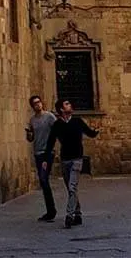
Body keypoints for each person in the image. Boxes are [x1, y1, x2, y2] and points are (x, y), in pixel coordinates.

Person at [43, 98, 99, 228]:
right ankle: (78, 214)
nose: (70, 105)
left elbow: (90, 133)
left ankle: (69, 215)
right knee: (70, 188)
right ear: (62, 109)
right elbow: (50, 142)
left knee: (72, 186)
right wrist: (46, 159)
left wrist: (96, 131)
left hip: (77, 159)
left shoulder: (77, 121)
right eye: (67, 104)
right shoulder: (57, 125)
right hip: (65, 159)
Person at [26, 94, 57, 221]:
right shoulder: (32, 120)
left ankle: (51, 211)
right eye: (35, 103)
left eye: (39, 102)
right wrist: (29, 134)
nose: (38, 104)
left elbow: (57, 131)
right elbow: (31, 138)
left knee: (44, 179)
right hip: (38, 153)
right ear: (32, 106)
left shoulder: (49, 117)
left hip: (47, 153)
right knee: (43, 182)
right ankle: (50, 210)